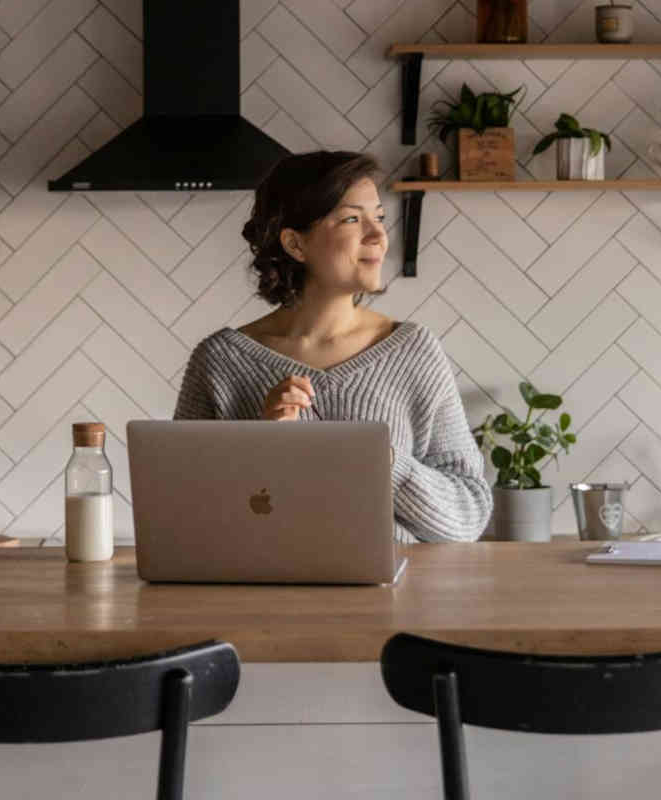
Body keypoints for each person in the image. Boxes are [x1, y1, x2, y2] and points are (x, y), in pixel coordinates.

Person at [174, 151, 492, 542]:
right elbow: (181, 519)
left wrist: (382, 460)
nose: (378, 235)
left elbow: (468, 517)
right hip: (260, 600)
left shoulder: (414, 352)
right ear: (295, 243)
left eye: (378, 216)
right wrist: (260, 447)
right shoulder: (218, 362)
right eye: (352, 219)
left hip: (395, 601)